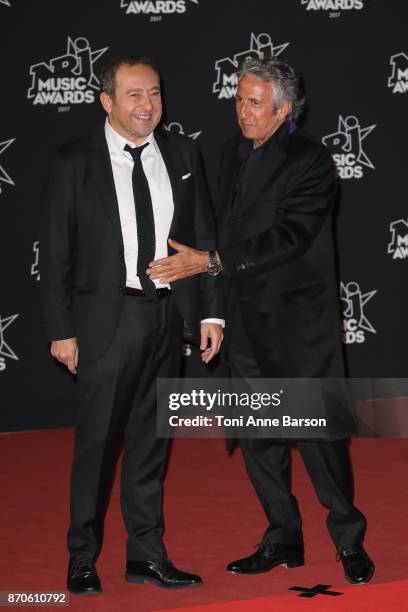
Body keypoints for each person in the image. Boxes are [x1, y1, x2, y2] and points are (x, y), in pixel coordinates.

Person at [147, 57, 374, 585]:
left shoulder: (311, 160)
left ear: (283, 110)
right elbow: (215, 230)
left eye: (253, 103)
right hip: (244, 327)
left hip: (296, 330)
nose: (241, 111)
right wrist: (215, 312)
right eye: (238, 99)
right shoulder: (228, 154)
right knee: (258, 439)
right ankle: (282, 537)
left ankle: (349, 540)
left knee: (319, 440)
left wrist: (210, 261)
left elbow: (288, 237)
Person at [40, 55, 224, 594]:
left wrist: (210, 311)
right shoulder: (74, 162)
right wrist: (61, 328)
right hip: (106, 321)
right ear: (107, 101)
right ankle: (82, 557)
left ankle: (146, 554)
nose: (148, 105)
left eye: (156, 94)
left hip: (168, 317)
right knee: (97, 445)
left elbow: (203, 237)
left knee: (151, 445)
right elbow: (55, 256)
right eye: (135, 95)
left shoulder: (184, 153)